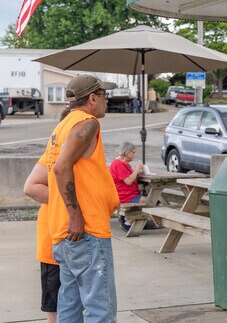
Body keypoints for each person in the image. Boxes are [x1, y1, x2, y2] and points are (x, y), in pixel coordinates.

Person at [45, 74, 120, 323]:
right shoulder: (88, 124)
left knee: (70, 306)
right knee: (101, 309)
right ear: (92, 98)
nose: (107, 100)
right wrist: (76, 215)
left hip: (64, 234)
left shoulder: (62, 126)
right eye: (104, 96)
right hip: (86, 230)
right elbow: (61, 168)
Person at [23, 157, 60, 323]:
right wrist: (72, 202)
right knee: (53, 302)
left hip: (66, 242)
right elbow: (30, 187)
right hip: (52, 246)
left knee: (66, 300)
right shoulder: (52, 156)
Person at [109, 141, 145, 232]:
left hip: (129, 194)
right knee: (150, 201)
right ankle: (128, 222)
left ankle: (129, 217)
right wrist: (137, 169)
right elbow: (128, 181)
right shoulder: (118, 164)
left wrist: (137, 173)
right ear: (127, 152)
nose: (134, 154)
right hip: (125, 196)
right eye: (133, 152)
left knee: (150, 199)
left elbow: (129, 176)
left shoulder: (124, 163)